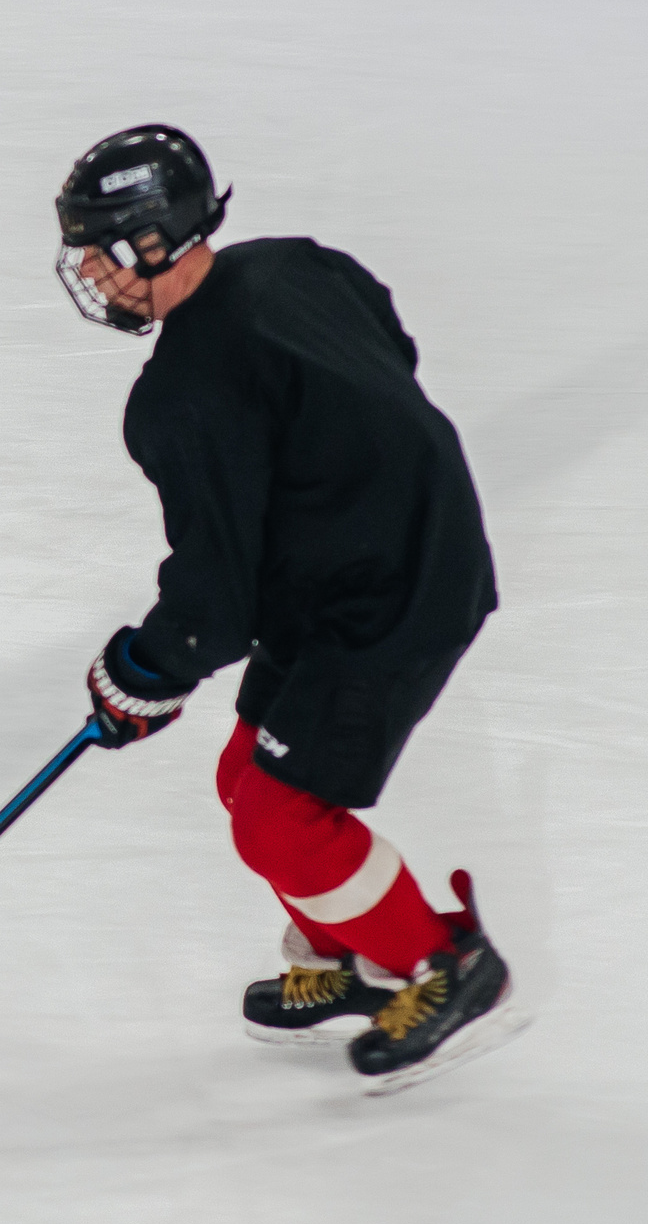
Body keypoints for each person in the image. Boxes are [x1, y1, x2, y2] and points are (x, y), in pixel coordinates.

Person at [54, 124, 527, 1095]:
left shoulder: (183, 397)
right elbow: (387, 344)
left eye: (104, 250)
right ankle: (348, 960)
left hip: (389, 600)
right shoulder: (298, 269)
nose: (91, 274)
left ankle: (447, 966)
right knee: (246, 780)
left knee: (278, 819)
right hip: (364, 563)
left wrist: (144, 673)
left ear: (155, 240)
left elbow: (214, 597)